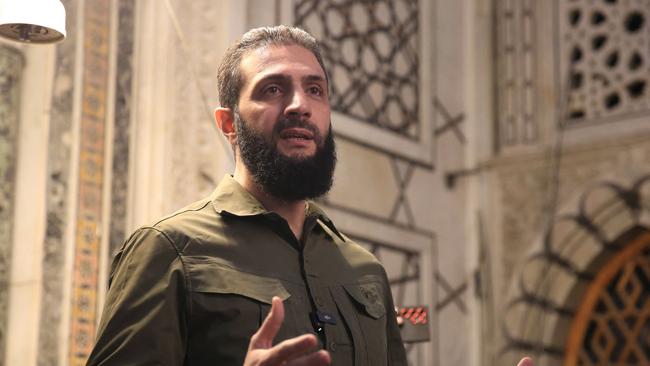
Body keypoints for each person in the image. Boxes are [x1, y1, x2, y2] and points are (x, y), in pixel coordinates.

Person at [86, 25, 534, 366]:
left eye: (314, 89)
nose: (300, 104)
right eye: (273, 89)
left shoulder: (364, 270)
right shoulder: (170, 249)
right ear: (228, 124)